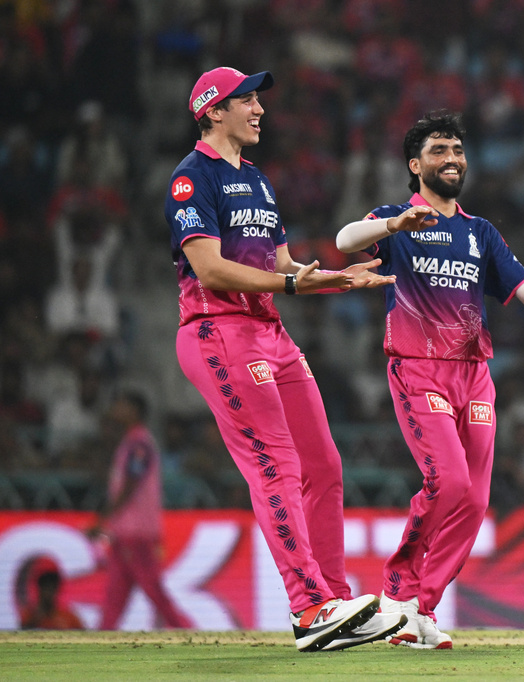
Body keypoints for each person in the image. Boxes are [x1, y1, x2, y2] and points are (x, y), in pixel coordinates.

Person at [166, 67, 405, 652]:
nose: (259, 110)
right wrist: (294, 287)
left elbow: (285, 266)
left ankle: (336, 599)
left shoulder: (258, 181)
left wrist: (332, 279)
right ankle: (308, 608)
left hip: (269, 330)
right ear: (212, 111)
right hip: (217, 331)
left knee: (323, 463)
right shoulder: (190, 179)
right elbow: (210, 269)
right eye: (246, 100)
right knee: (276, 464)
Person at [335, 110, 524, 649]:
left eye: (457, 150)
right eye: (438, 151)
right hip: (418, 369)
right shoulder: (397, 220)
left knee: (474, 501)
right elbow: (343, 239)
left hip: (475, 377)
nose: (451, 159)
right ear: (415, 164)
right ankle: (396, 592)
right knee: (448, 481)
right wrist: (393, 225)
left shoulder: (480, 233)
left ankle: (419, 613)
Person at [90, 391, 190, 630]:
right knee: (115, 598)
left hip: (137, 533)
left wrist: (103, 517)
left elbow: (130, 485)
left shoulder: (139, 444)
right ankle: (102, 640)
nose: (116, 408)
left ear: (135, 411)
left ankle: (185, 632)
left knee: (154, 593)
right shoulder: (130, 442)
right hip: (124, 533)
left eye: (122, 404)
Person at [18, 556, 85, 630]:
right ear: (40, 588)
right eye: (46, 586)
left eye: (53, 586)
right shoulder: (29, 614)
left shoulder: (68, 616)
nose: (50, 591)